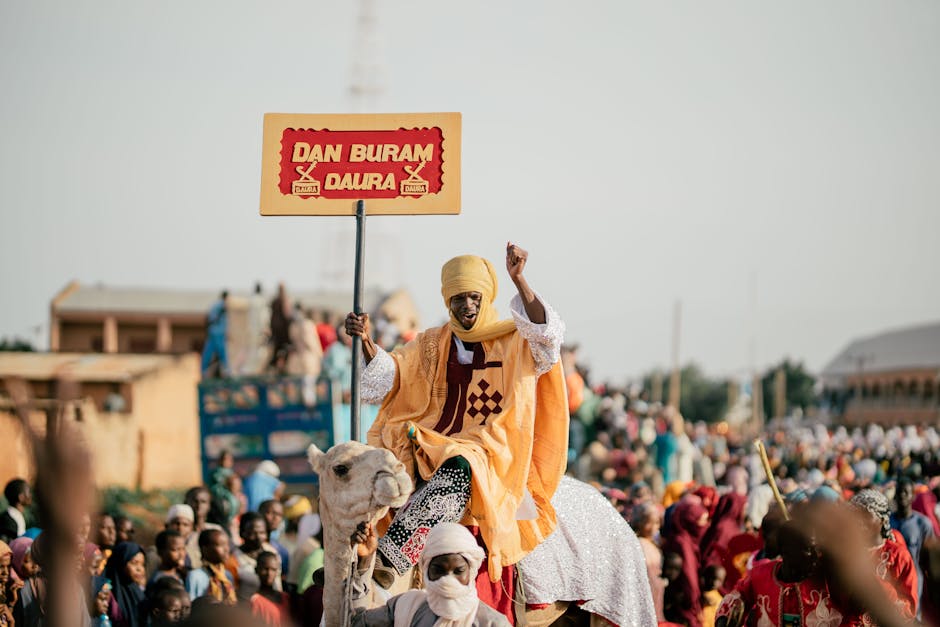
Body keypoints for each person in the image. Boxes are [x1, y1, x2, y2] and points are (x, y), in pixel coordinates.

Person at [346, 243, 568, 607]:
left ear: (487, 297)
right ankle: (348, 559)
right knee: (376, 464)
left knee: (461, 461)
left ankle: (391, 557)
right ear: (448, 302)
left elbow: (547, 337)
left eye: (475, 298)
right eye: (459, 299)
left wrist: (519, 280)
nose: (468, 307)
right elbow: (391, 377)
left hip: (491, 445)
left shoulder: (514, 338)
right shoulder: (433, 342)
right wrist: (367, 342)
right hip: (431, 439)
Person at [351, 522, 510, 627]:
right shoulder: (406, 607)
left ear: (471, 571)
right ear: (426, 569)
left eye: (458, 571)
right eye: (439, 570)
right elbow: (355, 623)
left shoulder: (492, 623)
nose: (448, 579)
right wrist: (365, 560)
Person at [715, 522, 840, 627]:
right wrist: (726, 619)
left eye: (818, 549)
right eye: (809, 549)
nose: (816, 556)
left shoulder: (828, 578)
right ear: (786, 552)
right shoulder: (760, 575)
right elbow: (739, 595)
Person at [849, 489, 917, 620]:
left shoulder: (898, 555)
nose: (859, 521)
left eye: (865, 515)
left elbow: (909, 609)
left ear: (882, 519)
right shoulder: (848, 551)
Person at [661, 498, 709, 627]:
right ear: (690, 522)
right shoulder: (682, 543)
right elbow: (689, 577)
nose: (705, 525)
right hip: (683, 603)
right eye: (702, 521)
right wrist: (694, 605)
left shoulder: (685, 539)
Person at [890, 477, 935, 613]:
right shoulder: (886, 522)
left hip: (915, 581)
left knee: (913, 614)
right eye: (899, 492)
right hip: (891, 582)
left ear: (913, 497)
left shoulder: (923, 524)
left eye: (905, 492)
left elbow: (930, 560)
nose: (902, 495)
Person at [630, 502, 666, 622]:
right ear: (639, 523)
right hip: (646, 595)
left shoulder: (653, 543)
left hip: (656, 593)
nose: (652, 527)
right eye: (647, 523)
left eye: (656, 523)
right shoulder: (640, 544)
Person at [233, 513, 281, 602]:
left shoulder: (272, 552)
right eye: (253, 533)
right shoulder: (234, 558)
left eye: (262, 532)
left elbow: (277, 583)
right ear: (242, 533)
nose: (258, 537)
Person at [185, 529, 236, 605]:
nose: (226, 549)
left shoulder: (227, 576)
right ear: (205, 549)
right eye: (221, 545)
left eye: (227, 544)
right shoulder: (195, 576)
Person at [103, 542, 148, 627]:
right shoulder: (106, 592)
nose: (139, 569)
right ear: (121, 562)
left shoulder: (138, 593)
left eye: (142, 564)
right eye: (134, 563)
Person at [183, 488, 224, 569]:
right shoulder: (181, 531)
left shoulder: (216, 530)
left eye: (203, 502)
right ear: (186, 503)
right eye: (195, 501)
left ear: (209, 506)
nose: (199, 505)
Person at [248, 552, 290, 627]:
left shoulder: (285, 597)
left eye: (273, 569)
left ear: (277, 572)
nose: (269, 573)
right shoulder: (255, 602)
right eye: (265, 569)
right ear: (256, 570)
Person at [10, 537, 41, 627]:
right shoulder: (12, 584)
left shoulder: (37, 582)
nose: (34, 565)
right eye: (27, 561)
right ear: (16, 559)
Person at [202, 290, 230, 378]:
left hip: (212, 332)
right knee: (223, 353)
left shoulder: (214, 305)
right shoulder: (222, 305)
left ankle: (203, 372)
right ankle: (227, 372)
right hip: (218, 332)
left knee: (208, 353)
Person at [258, 500, 289, 575]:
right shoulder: (248, 545)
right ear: (259, 514)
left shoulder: (281, 551)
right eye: (270, 513)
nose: (275, 518)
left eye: (279, 515)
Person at [269, 283, 292, 375]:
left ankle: (278, 368)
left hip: (278, 332)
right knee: (283, 352)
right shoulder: (283, 300)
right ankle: (280, 370)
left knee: (279, 352)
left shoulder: (276, 301)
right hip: (282, 333)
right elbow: (287, 314)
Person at [0, 480, 31, 544]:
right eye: (28, 492)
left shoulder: (16, 515)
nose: (30, 495)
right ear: (21, 497)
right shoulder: (9, 519)